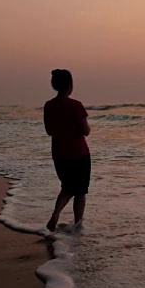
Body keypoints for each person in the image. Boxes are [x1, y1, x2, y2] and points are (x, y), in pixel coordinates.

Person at [43, 69, 91, 232]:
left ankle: (56, 213)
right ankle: (78, 224)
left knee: (67, 187)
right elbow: (85, 130)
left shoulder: (49, 106)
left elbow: (49, 130)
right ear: (70, 86)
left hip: (59, 154)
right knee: (80, 192)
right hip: (79, 153)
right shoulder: (76, 106)